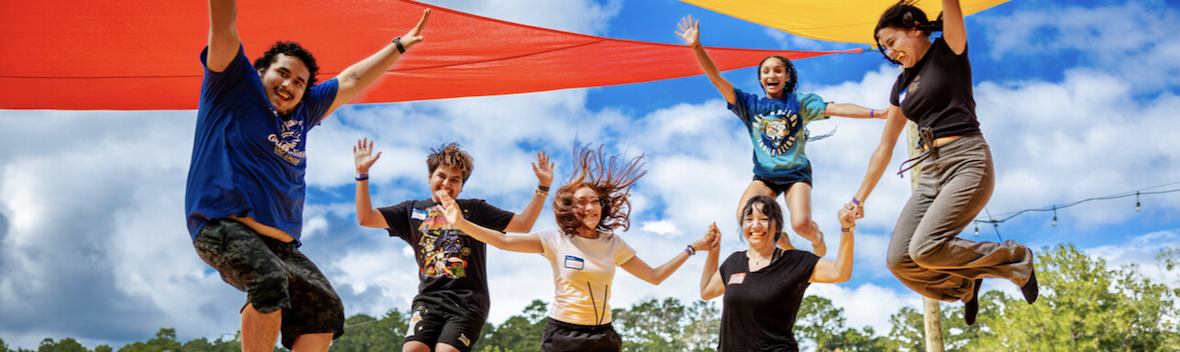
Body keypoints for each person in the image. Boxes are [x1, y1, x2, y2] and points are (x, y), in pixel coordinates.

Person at [185, 0, 430, 350]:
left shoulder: (304, 112)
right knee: (268, 281)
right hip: (222, 225)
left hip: (282, 247)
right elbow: (223, 25)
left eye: (299, 82)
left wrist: (399, 46)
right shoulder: (231, 88)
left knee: (325, 309)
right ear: (260, 72)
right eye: (281, 73)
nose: (289, 84)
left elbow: (352, 78)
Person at [842, 0, 1038, 325]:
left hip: (966, 160)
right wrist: (857, 199)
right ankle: (963, 284)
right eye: (883, 49)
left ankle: (1016, 258)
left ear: (914, 28)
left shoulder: (949, 50)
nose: (889, 53)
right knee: (900, 260)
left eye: (891, 43)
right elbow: (884, 146)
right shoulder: (901, 85)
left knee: (925, 248)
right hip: (930, 172)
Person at [435, 143, 716, 352]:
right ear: (570, 209)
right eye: (582, 201)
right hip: (563, 336)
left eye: (595, 201)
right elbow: (503, 240)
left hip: (603, 337)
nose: (590, 206)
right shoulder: (555, 240)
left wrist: (693, 248)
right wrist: (461, 222)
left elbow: (655, 276)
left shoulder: (612, 243)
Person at [676, 15, 885, 257]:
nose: (771, 74)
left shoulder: (800, 102)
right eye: (766, 71)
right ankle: (779, 239)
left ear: (786, 77)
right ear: (761, 79)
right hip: (765, 176)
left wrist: (877, 113)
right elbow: (716, 78)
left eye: (778, 70)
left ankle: (817, 237)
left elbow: (836, 108)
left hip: (796, 173)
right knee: (744, 214)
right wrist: (696, 46)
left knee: (802, 225)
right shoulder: (749, 104)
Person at [353, 139, 553, 352]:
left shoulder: (474, 210)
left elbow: (523, 225)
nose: (447, 184)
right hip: (428, 299)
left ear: (461, 185)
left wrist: (543, 187)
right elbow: (366, 218)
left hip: (468, 302)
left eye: (455, 180)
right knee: (412, 349)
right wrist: (362, 174)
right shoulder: (410, 211)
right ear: (430, 176)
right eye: (441, 176)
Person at [699, 195, 856, 351]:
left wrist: (847, 229)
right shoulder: (734, 262)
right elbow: (707, 291)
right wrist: (713, 250)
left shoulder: (795, 261)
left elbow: (840, 272)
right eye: (749, 219)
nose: (755, 225)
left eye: (764, 218)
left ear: (778, 226)